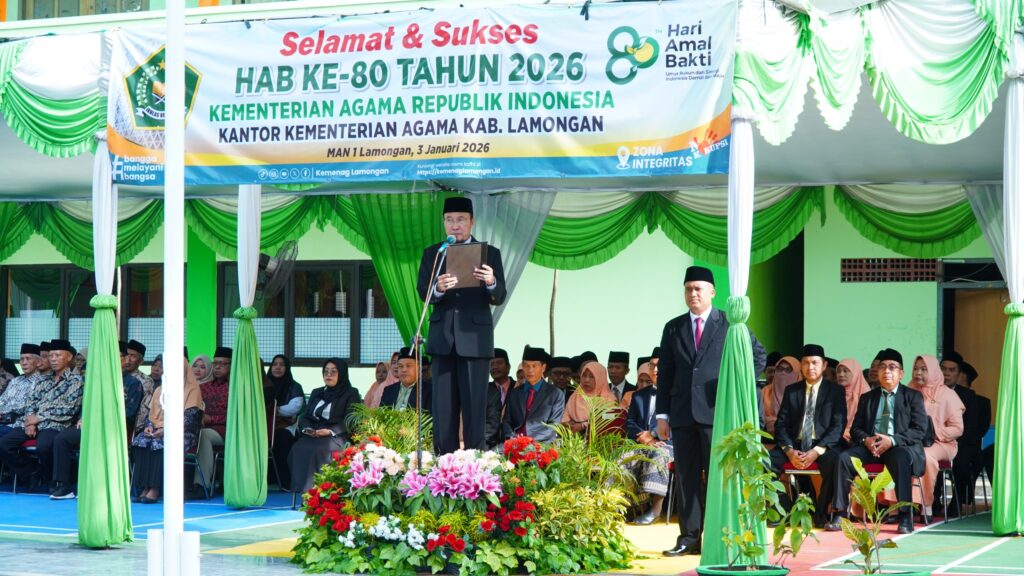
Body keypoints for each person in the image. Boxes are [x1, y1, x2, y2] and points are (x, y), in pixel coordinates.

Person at [656, 265, 766, 557]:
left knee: (720, 478)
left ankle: (722, 538)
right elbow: (665, 373)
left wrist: (734, 386)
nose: (693, 293)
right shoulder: (673, 327)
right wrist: (662, 415)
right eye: (688, 288)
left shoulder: (730, 324)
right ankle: (689, 538)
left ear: (713, 292)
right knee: (687, 478)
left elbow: (758, 356)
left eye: (698, 288)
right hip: (682, 414)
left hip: (718, 413)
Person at [417, 196, 507, 454]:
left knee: (474, 407)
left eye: (460, 219)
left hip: (475, 341)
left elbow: (499, 296)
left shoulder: (489, 253)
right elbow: (424, 293)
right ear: (443, 222)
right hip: (442, 340)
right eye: (449, 220)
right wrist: (438, 289)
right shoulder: (433, 253)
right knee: (443, 409)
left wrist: (490, 281)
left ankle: (474, 461)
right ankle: (443, 462)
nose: (454, 225)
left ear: (471, 222)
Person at [830, 349, 928, 534]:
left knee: (901, 459)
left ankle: (905, 516)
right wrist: (866, 440)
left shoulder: (912, 396)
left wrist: (891, 440)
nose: (887, 371)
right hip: (871, 447)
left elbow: (919, 429)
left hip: (897, 446)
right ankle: (840, 513)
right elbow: (856, 428)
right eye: (882, 367)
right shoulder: (868, 397)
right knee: (844, 458)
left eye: (892, 367)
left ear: (901, 374)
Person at [50, 342, 143, 499]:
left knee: (97, 441)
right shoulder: (98, 381)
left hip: (114, 428)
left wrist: (104, 419)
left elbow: (130, 412)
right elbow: (87, 403)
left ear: (124, 359)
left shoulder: (133, 383)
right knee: (62, 438)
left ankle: (99, 487)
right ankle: (64, 486)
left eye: (117, 356)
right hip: (91, 425)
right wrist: (83, 417)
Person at [769, 345, 847, 528]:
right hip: (795, 444)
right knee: (762, 462)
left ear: (824, 365)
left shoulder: (835, 391)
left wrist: (816, 451)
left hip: (823, 445)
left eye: (814, 363)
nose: (810, 367)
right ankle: (786, 510)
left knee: (835, 461)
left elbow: (838, 425)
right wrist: (789, 451)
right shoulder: (792, 390)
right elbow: (781, 424)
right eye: (806, 363)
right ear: (801, 366)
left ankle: (820, 512)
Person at [0, 339, 83, 491]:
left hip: (55, 424)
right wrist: (30, 421)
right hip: (32, 423)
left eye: (58, 355)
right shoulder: (43, 380)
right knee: (4, 444)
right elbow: (31, 402)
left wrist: (38, 418)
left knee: (44, 446)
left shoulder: (75, 381)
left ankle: (53, 479)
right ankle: (31, 471)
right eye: (51, 356)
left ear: (69, 357)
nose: (53, 359)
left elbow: (69, 409)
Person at [131, 356, 204, 503]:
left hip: (183, 432)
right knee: (141, 440)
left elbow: (190, 419)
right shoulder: (160, 389)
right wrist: (149, 427)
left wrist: (168, 430)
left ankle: (155, 489)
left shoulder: (192, 388)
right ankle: (144, 487)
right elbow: (150, 415)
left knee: (160, 443)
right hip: (158, 428)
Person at [902, 354, 964, 518]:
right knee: (897, 454)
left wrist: (934, 433)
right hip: (912, 441)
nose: (918, 373)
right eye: (916, 369)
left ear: (934, 371)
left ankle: (926, 504)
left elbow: (958, 429)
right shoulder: (908, 390)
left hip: (942, 443)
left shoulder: (948, 394)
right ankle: (896, 507)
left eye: (924, 369)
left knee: (925, 456)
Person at [288, 358, 361, 492]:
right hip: (314, 434)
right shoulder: (317, 392)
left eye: (333, 372)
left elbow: (350, 419)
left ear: (342, 373)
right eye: (326, 371)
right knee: (297, 448)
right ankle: (302, 489)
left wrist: (329, 431)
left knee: (320, 450)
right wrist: (307, 429)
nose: (328, 375)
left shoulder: (351, 393)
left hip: (336, 436)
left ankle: (319, 491)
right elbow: (305, 416)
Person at [624, 365, 672, 525]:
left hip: (668, 442)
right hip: (642, 442)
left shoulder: (676, 392)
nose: (655, 369)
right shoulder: (639, 395)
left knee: (658, 455)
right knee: (624, 456)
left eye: (660, 364)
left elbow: (677, 422)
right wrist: (645, 438)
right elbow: (630, 423)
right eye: (652, 365)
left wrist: (652, 434)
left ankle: (656, 510)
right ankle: (628, 506)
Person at [501, 346, 564, 444]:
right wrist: (512, 437)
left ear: (543, 368)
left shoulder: (555, 394)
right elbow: (506, 422)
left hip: (542, 444)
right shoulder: (514, 393)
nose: (530, 370)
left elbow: (554, 426)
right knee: (490, 452)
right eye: (526, 366)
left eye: (534, 366)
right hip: (515, 442)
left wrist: (529, 440)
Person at [263, 354, 305, 491]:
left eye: (282, 365)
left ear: (287, 368)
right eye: (275, 364)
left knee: (282, 437)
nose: (278, 367)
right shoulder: (264, 385)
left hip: (286, 426)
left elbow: (294, 407)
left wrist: (274, 410)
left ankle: (284, 481)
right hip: (265, 425)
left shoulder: (294, 386)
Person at [955, 362, 990, 511]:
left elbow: (981, 429)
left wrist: (961, 441)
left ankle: (959, 499)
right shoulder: (945, 396)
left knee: (966, 460)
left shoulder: (982, 401)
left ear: (963, 376)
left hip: (970, 445)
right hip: (948, 443)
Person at [0, 344, 46, 439]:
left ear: (38, 362)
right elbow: (2, 400)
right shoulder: (16, 381)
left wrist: (3, 411)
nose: (24, 363)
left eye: (28, 359)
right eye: (22, 359)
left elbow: (25, 406)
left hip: (18, 425)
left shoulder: (42, 382)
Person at [562, 361, 618, 434]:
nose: (586, 380)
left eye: (592, 377)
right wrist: (566, 423)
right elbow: (565, 416)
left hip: (598, 438)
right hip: (573, 437)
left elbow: (609, 419)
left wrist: (583, 425)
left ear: (600, 378)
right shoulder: (576, 395)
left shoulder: (609, 399)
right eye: (584, 376)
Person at [380, 347, 433, 411]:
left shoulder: (429, 391)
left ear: (419, 368)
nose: (404, 370)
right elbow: (380, 414)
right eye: (400, 366)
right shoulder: (388, 391)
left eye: (408, 366)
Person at [762, 356, 800, 438]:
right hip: (766, 441)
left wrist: (776, 423)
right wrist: (767, 421)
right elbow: (755, 416)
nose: (783, 373)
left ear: (797, 374)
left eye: (788, 370)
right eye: (779, 369)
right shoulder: (765, 391)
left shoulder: (804, 394)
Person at [836, 358, 871, 446]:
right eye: (838, 371)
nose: (841, 374)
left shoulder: (866, 394)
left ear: (855, 373)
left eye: (845, 371)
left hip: (858, 440)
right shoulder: (834, 393)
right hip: (836, 437)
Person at [125, 340, 155, 435]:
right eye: (126, 355)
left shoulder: (146, 381)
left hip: (130, 427)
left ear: (141, 361)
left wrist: (134, 432)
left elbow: (144, 410)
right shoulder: (114, 377)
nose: (128, 359)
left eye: (133, 356)